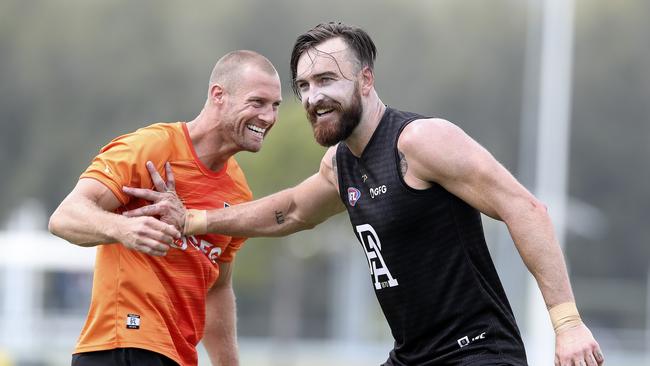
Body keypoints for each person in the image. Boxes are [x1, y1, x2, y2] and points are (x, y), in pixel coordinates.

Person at [123, 23, 604, 366]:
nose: (313, 97)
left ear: (366, 80)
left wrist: (567, 324)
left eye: (327, 80)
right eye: (304, 86)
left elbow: (526, 208)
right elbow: (287, 212)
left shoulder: (418, 141)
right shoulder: (341, 163)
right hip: (412, 355)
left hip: (476, 351)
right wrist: (192, 220)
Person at [48, 50, 282, 366]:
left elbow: (218, 288)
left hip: (179, 357)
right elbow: (64, 217)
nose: (268, 117)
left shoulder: (239, 192)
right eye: (257, 103)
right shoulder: (153, 147)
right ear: (218, 96)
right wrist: (124, 229)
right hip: (122, 346)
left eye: (275, 106)